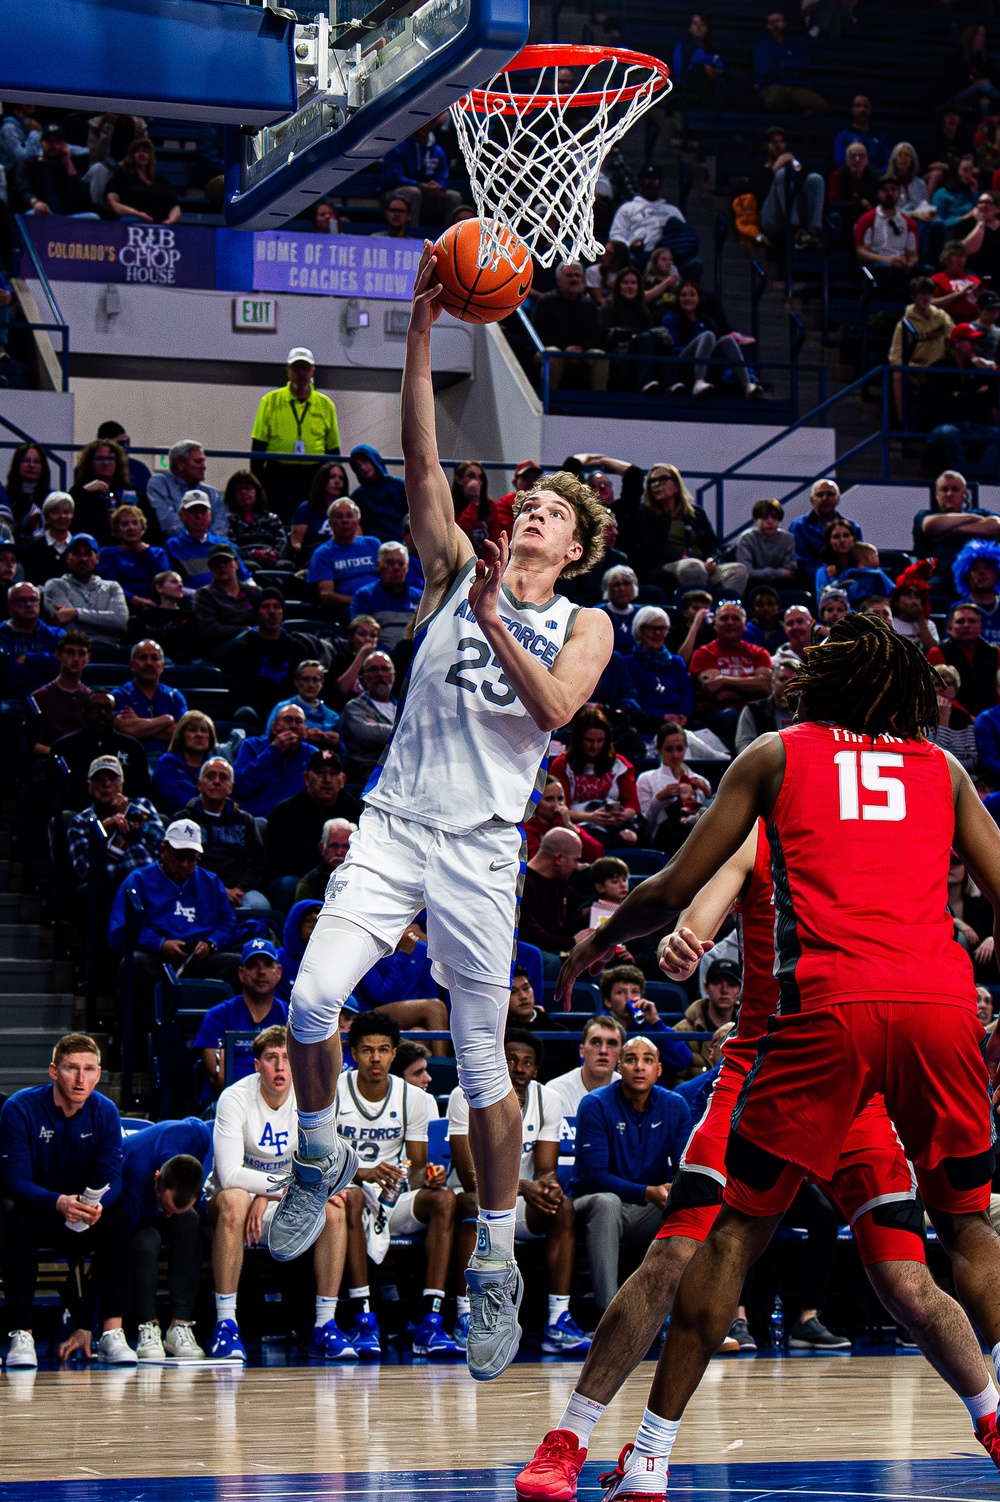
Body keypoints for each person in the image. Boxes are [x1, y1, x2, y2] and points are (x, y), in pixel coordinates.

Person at [269, 242, 612, 1391]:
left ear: (575, 548)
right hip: (397, 820)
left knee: (478, 1063)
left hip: (481, 848)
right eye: (532, 503)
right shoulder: (456, 558)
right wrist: (423, 326)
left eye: (554, 514)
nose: (533, 516)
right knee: (313, 996)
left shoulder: (586, 624)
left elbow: (557, 707)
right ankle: (316, 1157)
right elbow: (422, 456)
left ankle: (498, 1263)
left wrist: (495, 624)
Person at [556, 613, 1000, 1497]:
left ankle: (646, 1457)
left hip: (825, 1010)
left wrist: (600, 941)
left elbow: (677, 883)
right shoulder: (944, 768)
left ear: (827, 682)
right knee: (968, 1224)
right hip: (940, 1006)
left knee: (736, 1230)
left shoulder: (780, 754)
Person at [203, 1025, 352, 1362]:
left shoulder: (310, 1099)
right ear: (257, 1065)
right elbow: (229, 1176)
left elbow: (324, 1168)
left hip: (277, 1201)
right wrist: (277, 1191)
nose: (281, 1066)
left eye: (287, 1058)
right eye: (272, 1058)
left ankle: (325, 1325)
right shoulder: (234, 1098)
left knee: (336, 1209)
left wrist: (268, 1195)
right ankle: (226, 1325)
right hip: (234, 1206)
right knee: (235, 1200)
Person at [448, 1030, 591, 1357]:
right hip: (478, 1199)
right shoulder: (465, 1095)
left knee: (562, 1207)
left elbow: (545, 1168)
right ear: (498, 1062)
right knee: (473, 1202)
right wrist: (526, 1186)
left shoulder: (547, 1099)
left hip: (522, 1205)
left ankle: (558, 1319)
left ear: (536, 1070)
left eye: (527, 1062)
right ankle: (467, 1316)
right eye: (511, 1060)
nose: (519, 1067)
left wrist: (547, 1186)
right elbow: (471, 1178)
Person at [0, 1033, 136, 1368]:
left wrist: (98, 1204)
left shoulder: (105, 1111)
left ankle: (111, 1333)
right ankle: (21, 1334)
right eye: (71, 1068)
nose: (80, 1078)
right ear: (53, 1071)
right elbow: (15, 1180)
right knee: (15, 1218)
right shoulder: (19, 1107)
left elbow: (112, 1177)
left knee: (118, 1218)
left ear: (99, 1074)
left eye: (89, 1069)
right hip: (40, 1210)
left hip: (84, 1211)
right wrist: (58, 1202)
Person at [337, 1010, 463, 1357]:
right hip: (345, 1196)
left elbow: (418, 1167)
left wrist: (430, 1179)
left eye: (383, 1049)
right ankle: (364, 1317)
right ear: (353, 1053)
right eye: (366, 1050)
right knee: (351, 1198)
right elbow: (321, 1163)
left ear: (394, 1052)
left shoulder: (416, 1100)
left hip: (393, 1199)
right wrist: (362, 1173)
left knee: (445, 1200)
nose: (375, 1058)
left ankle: (431, 1320)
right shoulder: (334, 1093)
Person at [571, 1034, 692, 1303]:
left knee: (689, 1207)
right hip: (591, 1206)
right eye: (631, 1059)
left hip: (646, 1210)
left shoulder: (674, 1105)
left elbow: (685, 1168)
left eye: (648, 1060)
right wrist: (649, 1192)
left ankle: (672, 1315)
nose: (639, 1066)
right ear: (619, 1068)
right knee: (607, 1202)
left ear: (659, 1070)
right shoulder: (596, 1104)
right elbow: (593, 1177)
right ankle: (608, 1315)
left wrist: (673, 1191)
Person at [108, 818, 240, 1053]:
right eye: (179, 856)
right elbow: (120, 931)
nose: (185, 863)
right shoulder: (138, 880)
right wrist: (159, 944)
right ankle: (132, 1047)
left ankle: (234, 1045)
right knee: (133, 964)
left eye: (192, 858)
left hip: (198, 956)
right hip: (157, 958)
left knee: (240, 966)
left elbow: (228, 921)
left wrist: (211, 943)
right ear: (163, 850)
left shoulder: (210, 881)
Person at [122, 1119, 211, 1361]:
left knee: (189, 1222)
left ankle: (179, 1325)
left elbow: (213, 1134)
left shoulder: (198, 1135)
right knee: (146, 1242)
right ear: (157, 1178)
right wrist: (86, 1324)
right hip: (132, 1211)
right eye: (167, 1207)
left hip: (171, 1199)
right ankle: (147, 1326)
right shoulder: (132, 1173)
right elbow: (110, 1253)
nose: (169, 1214)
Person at [250, 348, 340, 520]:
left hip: (314, 475)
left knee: (312, 521)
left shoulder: (326, 404)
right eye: (296, 368)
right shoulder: (270, 401)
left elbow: (333, 449)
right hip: (279, 474)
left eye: (305, 368)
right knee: (279, 518)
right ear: (288, 371)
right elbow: (258, 446)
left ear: (312, 371)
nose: (301, 373)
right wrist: (258, 484)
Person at [194, 939, 289, 1097]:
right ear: (241, 974)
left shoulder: (291, 1016)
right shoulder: (218, 1016)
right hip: (229, 1102)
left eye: (267, 964)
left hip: (280, 1102)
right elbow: (218, 1078)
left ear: (278, 972)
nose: (261, 971)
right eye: (252, 965)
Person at [184, 757, 269, 913]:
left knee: (259, 906)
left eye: (223, 778)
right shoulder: (184, 820)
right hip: (197, 888)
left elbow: (258, 863)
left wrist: (240, 888)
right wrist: (218, 890)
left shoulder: (246, 820)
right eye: (210, 776)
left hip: (240, 892)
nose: (217, 781)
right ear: (199, 784)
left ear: (231, 787)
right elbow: (181, 863)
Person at [548, 705, 640, 847]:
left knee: (632, 837)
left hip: (614, 824)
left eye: (600, 740)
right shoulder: (562, 765)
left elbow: (632, 805)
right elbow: (559, 808)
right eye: (589, 740)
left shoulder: (620, 765)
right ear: (578, 739)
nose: (595, 746)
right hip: (577, 826)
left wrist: (621, 816)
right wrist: (592, 817)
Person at [67, 754, 164, 890]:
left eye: (112, 779)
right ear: (89, 785)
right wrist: (101, 831)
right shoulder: (80, 822)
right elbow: (84, 869)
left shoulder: (142, 805)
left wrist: (130, 816)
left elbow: (163, 848)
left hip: (151, 883)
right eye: (99, 780)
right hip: (110, 889)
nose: (106, 785)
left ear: (122, 783)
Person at [265, 748, 361, 882]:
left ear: (342, 780)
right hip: (299, 879)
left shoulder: (355, 810)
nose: (327, 779)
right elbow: (279, 863)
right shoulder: (285, 812)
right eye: (320, 773)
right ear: (306, 778)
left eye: (334, 773)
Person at [51, 690, 151, 808]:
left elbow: (142, 790)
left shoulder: (132, 747)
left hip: (124, 813)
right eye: (95, 708)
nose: (102, 713)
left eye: (108, 708)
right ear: (84, 713)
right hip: (76, 813)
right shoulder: (64, 747)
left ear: (114, 714)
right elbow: (55, 791)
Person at [660, 282, 761, 398]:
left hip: (708, 366)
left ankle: (747, 384)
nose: (687, 298)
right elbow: (672, 349)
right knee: (707, 335)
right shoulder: (670, 319)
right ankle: (698, 382)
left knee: (727, 339)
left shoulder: (707, 321)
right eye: (683, 295)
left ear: (698, 299)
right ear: (678, 299)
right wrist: (699, 349)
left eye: (692, 295)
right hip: (683, 364)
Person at [913, 469, 1000, 594]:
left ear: (965, 493)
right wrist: (972, 519)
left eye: (954, 489)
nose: (949, 494)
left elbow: (997, 526)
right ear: (937, 495)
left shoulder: (982, 513)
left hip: (978, 578)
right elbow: (930, 526)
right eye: (944, 489)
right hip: (940, 578)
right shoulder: (925, 515)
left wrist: (957, 528)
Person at [531, 263, 608, 394]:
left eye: (578, 276)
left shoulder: (589, 305)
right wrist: (564, 349)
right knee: (553, 353)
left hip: (580, 351)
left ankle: (598, 402)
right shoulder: (546, 302)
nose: (574, 279)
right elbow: (539, 334)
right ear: (558, 280)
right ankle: (549, 400)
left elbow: (595, 335)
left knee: (600, 355)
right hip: (550, 349)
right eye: (569, 275)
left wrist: (581, 348)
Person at [689, 601, 773, 720]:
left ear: (744, 625)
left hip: (756, 713)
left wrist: (724, 680)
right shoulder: (704, 653)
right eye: (724, 618)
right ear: (715, 624)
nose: (730, 622)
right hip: (719, 717)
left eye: (735, 618)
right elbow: (721, 696)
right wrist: (756, 691)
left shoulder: (759, 653)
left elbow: (766, 687)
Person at [636, 720, 712, 850]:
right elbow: (645, 828)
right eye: (669, 749)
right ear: (658, 749)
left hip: (698, 836)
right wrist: (658, 799)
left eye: (680, 748)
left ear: (686, 748)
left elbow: (711, 821)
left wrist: (707, 795)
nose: (675, 755)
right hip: (664, 838)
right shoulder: (646, 779)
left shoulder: (700, 781)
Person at [42, 534, 128, 646]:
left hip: (110, 649)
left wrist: (76, 613)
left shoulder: (112, 587)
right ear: (68, 558)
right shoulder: (55, 585)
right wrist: (107, 623)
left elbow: (120, 621)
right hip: (73, 650)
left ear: (97, 558)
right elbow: (70, 628)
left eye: (88, 553)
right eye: (76, 554)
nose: (83, 559)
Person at [889, 277, 954, 422]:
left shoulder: (942, 317)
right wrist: (912, 372)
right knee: (897, 374)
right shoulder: (904, 324)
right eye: (921, 294)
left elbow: (954, 340)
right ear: (913, 296)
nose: (926, 298)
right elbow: (895, 358)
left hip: (940, 368)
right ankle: (901, 421)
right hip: (916, 369)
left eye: (929, 293)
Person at [233, 703, 314, 818]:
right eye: (288, 720)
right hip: (259, 819)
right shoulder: (252, 746)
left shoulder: (312, 754)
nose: (294, 726)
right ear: (274, 728)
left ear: (305, 731)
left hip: (297, 821)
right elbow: (240, 788)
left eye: (299, 722)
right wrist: (273, 750)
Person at [379, 119, 461, 228]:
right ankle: (412, 232)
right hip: (396, 191)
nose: (424, 125)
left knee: (454, 196)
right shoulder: (398, 146)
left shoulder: (438, 150)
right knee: (414, 192)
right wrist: (418, 184)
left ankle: (450, 235)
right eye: (422, 122)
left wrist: (438, 186)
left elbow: (443, 175)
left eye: (428, 122)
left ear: (433, 125)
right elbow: (393, 177)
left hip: (427, 193)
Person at [307, 499, 380, 612]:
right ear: (330, 523)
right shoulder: (322, 553)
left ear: (358, 521)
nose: (344, 520)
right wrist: (359, 601)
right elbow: (327, 595)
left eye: (349, 516)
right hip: (349, 608)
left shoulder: (373, 544)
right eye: (339, 516)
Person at [338, 650, 398, 784]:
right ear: (363, 677)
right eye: (373, 669)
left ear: (393, 675)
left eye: (385, 669)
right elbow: (368, 734)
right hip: (372, 773)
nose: (380, 674)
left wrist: (380, 727)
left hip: (403, 770)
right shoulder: (355, 707)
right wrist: (404, 731)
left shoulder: (405, 708)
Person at [349, 542, 422, 651]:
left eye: (401, 563)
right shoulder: (365, 596)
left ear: (407, 567)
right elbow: (361, 636)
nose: (396, 568)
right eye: (390, 563)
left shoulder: (421, 597)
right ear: (378, 566)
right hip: (380, 659)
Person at [146, 441, 227, 539]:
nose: (204, 467)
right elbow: (169, 524)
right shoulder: (160, 482)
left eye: (203, 461)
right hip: (174, 549)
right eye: (198, 462)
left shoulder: (213, 493)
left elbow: (221, 529)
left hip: (209, 549)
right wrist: (195, 541)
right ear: (181, 464)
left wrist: (205, 543)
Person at [112, 639, 187, 745]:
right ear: (132, 665)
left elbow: (183, 734)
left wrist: (139, 725)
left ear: (162, 666)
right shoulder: (119, 695)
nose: (148, 663)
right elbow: (126, 729)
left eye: (155, 658)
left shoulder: (175, 697)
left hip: (168, 758)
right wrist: (167, 720)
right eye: (143, 657)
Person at [165, 497, 249, 592]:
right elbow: (169, 585)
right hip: (192, 602)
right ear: (181, 515)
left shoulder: (225, 545)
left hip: (227, 601)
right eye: (193, 512)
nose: (199, 516)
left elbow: (245, 578)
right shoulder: (172, 546)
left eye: (203, 512)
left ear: (210, 515)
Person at [752, 11, 828, 115]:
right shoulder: (761, 47)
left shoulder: (797, 46)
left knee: (822, 106)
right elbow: (765, 69)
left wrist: (784, 65)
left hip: (796, 86)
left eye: (777, 21)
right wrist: (792, 71)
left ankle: (801, 123)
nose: (774, 25)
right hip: (773, 86)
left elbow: (804, 65)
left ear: (785, 23)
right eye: (771, 22)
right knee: (771, 101)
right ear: (767, 26)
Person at [854, 177, 919, 297]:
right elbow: (861, 253)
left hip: (900, 265)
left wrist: (908, 264)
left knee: (924, 270)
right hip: (876, 263)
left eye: (893, 190)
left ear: (899, 193)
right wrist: (888, 260)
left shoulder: (909, 223)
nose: (889, 193)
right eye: (885, 190)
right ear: (878, 193)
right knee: (884, 268)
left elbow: (913, 255)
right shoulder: (867, 219)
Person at [16, 122, 96, 219]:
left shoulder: (64, 166)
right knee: (33, 213)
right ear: (41, 142)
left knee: (93, 217)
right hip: (39, 212)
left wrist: (68, 161)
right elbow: (23, 190)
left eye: (57, 141)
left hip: (65, 218)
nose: (53, 145)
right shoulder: (29, 164)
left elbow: (80, 196)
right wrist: (35, 202)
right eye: (49, 141)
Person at [191, 544, 261, 654]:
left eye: (226, 561)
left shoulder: (254, 592)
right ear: (210, 568)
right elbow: (210, 629)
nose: (221, 566)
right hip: (223, 648)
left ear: (237, 564)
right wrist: (247, 631)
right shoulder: (204, 595)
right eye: (216, 563)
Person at [675, 957, 741, 1073]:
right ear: (705, 987)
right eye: (717, 982)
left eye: (731, 984)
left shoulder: (750, 1030)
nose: (724, 990)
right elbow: (676, 1080)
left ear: (739, 991)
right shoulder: (682, 1031)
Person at [30, 629, 91, 755]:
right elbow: (31, 743)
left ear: (88, 658)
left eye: (81, 653)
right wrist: (60, 754)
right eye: (70, 652)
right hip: (49, 762)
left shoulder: (90, 698)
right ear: (58, 654)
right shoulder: (39, 697)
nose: (75, 659)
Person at [608, 166, 688, 258]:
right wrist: (630, 245)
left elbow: (684, 236)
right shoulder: (627, 209)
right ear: (640, 182)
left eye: (654, 180)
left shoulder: (672, 211)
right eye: (647, 180)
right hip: (636, 256)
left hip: (666, 258)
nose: (651, 184)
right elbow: (615, 235)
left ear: (660, 183)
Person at [97, 505, 169, 607]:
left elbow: (165, 581)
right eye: (124, 524)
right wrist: (136, 600)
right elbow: (109, 585)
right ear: (117, 530)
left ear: (142, 527)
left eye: (135, 523)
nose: (131, 528)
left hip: (157, 605)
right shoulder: (108, 553)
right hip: (122, 605)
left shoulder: (158, 552)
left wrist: (146, 552)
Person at [523, 775, 605, 864]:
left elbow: (598, 855)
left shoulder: (565, 824)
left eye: (560, 799)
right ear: (535, 802)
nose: (557, 805)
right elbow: (541, 863)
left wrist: (571, 827)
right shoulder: (527, 829)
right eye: (549, 799)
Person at [937, 601, 1000, 715]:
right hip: (952, 719)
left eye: (972, 621)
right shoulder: (937, 653)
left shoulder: (996, 653)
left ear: (980, 628)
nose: (966, 625)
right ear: (949, 629)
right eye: (960, 621)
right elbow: (940, 693)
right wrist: (969, 718)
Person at [151, 710, 218, 816]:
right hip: (176, 820)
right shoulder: (167, 762)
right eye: (192, 730)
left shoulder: (217, 765)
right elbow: (172, 800)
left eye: (204, 731)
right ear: (181, 735)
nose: (199, 735)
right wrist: (210, 807)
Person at [290, 461, 353, 565]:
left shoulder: (350, 508)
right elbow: (296, 543)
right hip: (314, 557)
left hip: (343, 556)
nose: (337, 481)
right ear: (322, 480)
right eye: (332, 477)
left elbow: (357, 538)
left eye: (341, 478)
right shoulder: (305, 509)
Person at [105, 137, 180, 224]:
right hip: (131, 224)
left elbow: (175, 207)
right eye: (138, 151)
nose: (142, 154)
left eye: (145, 151)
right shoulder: (121, 177)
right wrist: (138, 214)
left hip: (159, 227)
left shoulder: (161, 180)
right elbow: (112, 204)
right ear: (132, 154)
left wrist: (169, 221)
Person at [266, 661, 341, 748]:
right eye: (306, 679)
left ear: (322, 684)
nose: (310, 685)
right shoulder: (282, 708)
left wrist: (337, 744)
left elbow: (344, 755)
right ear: (296, 682)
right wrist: (302, 737)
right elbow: (268, 741)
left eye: (315, 680)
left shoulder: (333, 716)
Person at [735, 653, 800, 753]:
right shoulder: (754, 710)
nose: (788, 685)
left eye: (794, 681)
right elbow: (744, 750)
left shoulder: (811, 713)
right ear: (772, 683)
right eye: (783, 679)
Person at [222, 470, 286, 569]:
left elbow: (282, 541)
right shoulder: (228, 520)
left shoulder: (271, 518)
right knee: (252, 566)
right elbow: (229, 547)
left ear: (257, 491)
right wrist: (254, 554)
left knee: (288, 566)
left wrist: (274, 554)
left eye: (248, 488)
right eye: (239, 490)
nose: (243, 492)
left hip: (272, 558)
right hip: (245, 560)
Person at [348, 445, 408, 543]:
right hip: (374, 544)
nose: (363, 468)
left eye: (365, 462)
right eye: (358, 466)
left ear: (374, 459)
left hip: (402, 541)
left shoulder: (399, 486)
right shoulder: (358, 495)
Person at [735, 498, 797, 586]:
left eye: (774, 517)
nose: (770, 522)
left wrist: (762, 573)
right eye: (765, 517)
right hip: (752, 584)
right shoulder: (746, 539)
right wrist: (776, 573)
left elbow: (790, 571)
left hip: (780, 584)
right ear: (755, 521)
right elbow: (746, 572)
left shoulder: (788, 539)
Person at [296, 816, 356, 903]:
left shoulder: (364, 877)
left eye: (345, 846)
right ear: (322, 848)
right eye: (334, 846)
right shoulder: (308, 885)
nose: (339, 852)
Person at [21, 491, 75, 586]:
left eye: (66, 512)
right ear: (46, 517)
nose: (62, 516)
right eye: (55, 512)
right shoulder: (33, 548)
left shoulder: (78, 545)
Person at [953, 539, 1000, 643]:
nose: (982, 572)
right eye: (975, 569)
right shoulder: (957, 610)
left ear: (997, 573)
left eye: (987, 568)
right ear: (966, 576)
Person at [3, 442, 50, 543]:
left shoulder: (50, 498)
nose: (31, 465)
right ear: (17, 465)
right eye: (26, 461)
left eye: (37, 462)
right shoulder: (5, 496)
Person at [833, 93, 889, 173]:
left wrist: (875, 177)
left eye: (866, 106)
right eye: (858, 106)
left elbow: (887, 163)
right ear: (851, 109)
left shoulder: (880, 137)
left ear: (870, 110)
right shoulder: (843, 136)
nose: (862, 110)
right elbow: (840, 163)